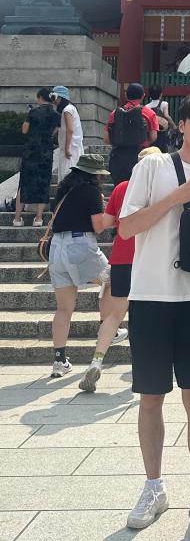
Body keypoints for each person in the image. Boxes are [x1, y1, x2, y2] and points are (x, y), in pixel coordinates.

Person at [118, 95, 190, 541]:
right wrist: (176, 198)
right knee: (150, 397)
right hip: (149, 296)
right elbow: (127, 227)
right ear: (181, 125)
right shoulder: (152, 167)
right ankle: (153, 486)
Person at [78, 146, 162, 393]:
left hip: (122, 259)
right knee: (149, 317)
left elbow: (104, 223)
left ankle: (97, 361)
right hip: (151, 259)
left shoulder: (122, 187)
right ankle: (144, 367)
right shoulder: (161, 190)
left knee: (115, 316)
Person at [47, 154, 110, 378]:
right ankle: (109, 327)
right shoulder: (91, 192)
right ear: (94, 175)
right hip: (80, 245)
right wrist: (108, 211)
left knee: (63, 309)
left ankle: (59, 360)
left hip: (57, 248)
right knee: (114, 280)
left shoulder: (64, 190)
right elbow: (99, 227)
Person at [13, 87, 59, 227]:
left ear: (40, 98)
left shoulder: (33, 112)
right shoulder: (55, 114)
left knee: (24, 183)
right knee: (43, 182)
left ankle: (17, 218)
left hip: (31, 151)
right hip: (46, 151)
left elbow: (24, 130)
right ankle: (38, 219)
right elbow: (55, 130)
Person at [105, 83, 159, 186]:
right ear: (143, 96)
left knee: (120, 189)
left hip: (118, 158)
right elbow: (153, 137)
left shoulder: (114, 113)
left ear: (126, 95)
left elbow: (107, 139)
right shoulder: (149, 113)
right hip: (139, 157)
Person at [51, 86, 84, 182]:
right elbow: (61, 127)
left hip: (70, 148)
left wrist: (67, 148)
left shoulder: (67, 110)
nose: (53, 101)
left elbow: (70, 129)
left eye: (54, 97)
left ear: (61, 97)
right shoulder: (70, 108)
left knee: (67, 176)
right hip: (73, 147)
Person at [146, 85, 174, 153]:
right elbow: (166, 116)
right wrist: (173, 126)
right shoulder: (164, 104)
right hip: (162, 133)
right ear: (161, 94)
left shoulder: (146, 107)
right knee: (162, 152)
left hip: (151, 133)